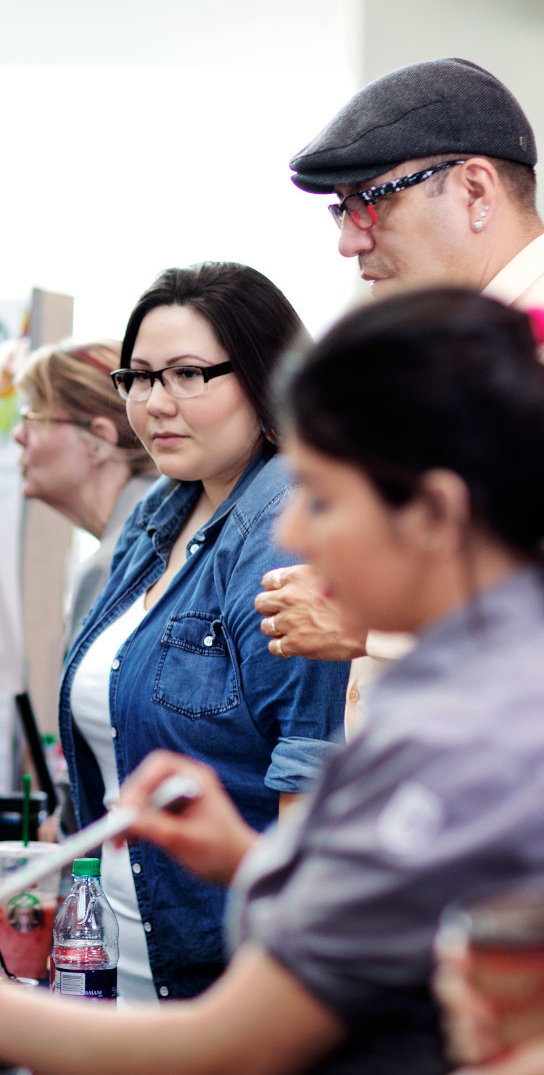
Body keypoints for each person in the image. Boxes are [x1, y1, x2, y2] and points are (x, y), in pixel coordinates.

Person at [0, 288, 544, 1075]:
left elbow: (240, 1039)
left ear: (435, 515)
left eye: (322, 499)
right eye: (139, 377)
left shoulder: (465, 736)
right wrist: (241, 855)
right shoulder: (458, 683)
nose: (293, 528)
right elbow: (381, 908)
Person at [57, 263, 347, 1003]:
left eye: (188, 374)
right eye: (139, 377)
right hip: (112, 959)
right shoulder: (160, 509)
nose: (156, 403)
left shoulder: (287, 530)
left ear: (266, 378)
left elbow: (306, 772)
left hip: (221, 984)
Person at [259, 58, 544, 732]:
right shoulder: (450, 350)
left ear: (475, 189)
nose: (348, 240)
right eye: (340, 209)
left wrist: (374, 626)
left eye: (369, 201)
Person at [12, 339, 157, 651]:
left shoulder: (116, 568)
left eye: (34, 417)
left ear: (98, 441)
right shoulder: (153, 536)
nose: (18, 435)